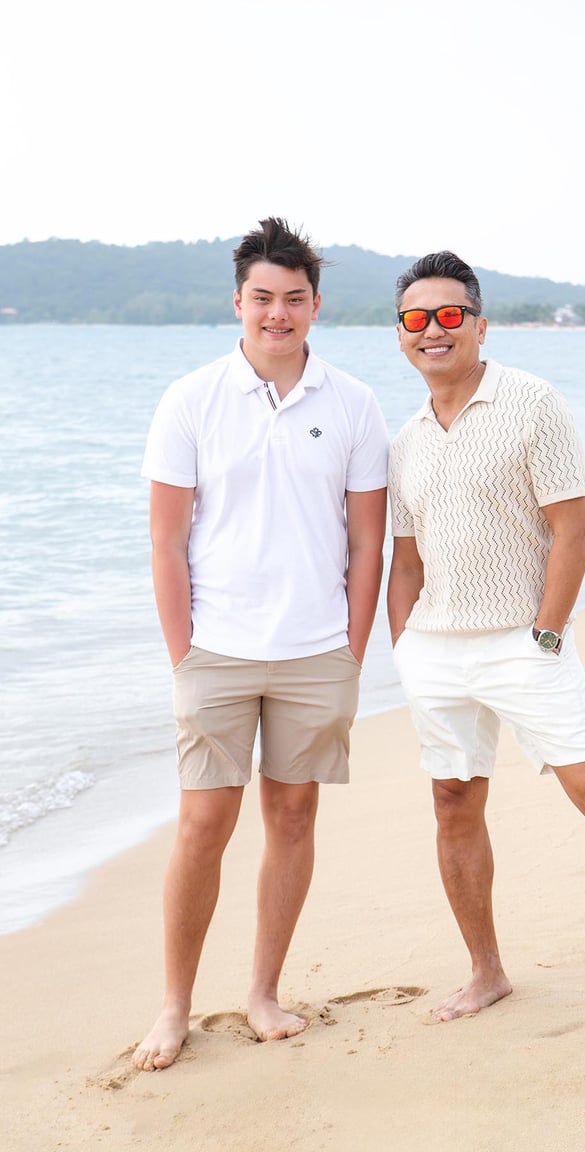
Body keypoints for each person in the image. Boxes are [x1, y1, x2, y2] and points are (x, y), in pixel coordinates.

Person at [386, 250, 585, 1033]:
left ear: (478, 322)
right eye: (416, 319)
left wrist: (547, 632)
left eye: (450, 314)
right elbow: (405, 558)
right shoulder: (403, 439)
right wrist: (403, 648)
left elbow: (573, 530)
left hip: (523, 642)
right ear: (401, 335)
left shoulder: (532, 401)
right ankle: (486, 973)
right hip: (436, 648)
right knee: (453, 801)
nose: (434, 330)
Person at [133, 218, 389, 1071]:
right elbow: (167, 542)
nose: (277, 314)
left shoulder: (353, 403)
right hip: (218, 651)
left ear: (316, 305)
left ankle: (262, 992)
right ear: (238, 302)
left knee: (293, 816)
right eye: (262, 299)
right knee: (203, 824)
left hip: (317, 653)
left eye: (294, 299)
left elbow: (366, 544)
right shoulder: (190, 400)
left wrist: (351, 653)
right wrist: (185, 655)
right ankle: (174, 1006)